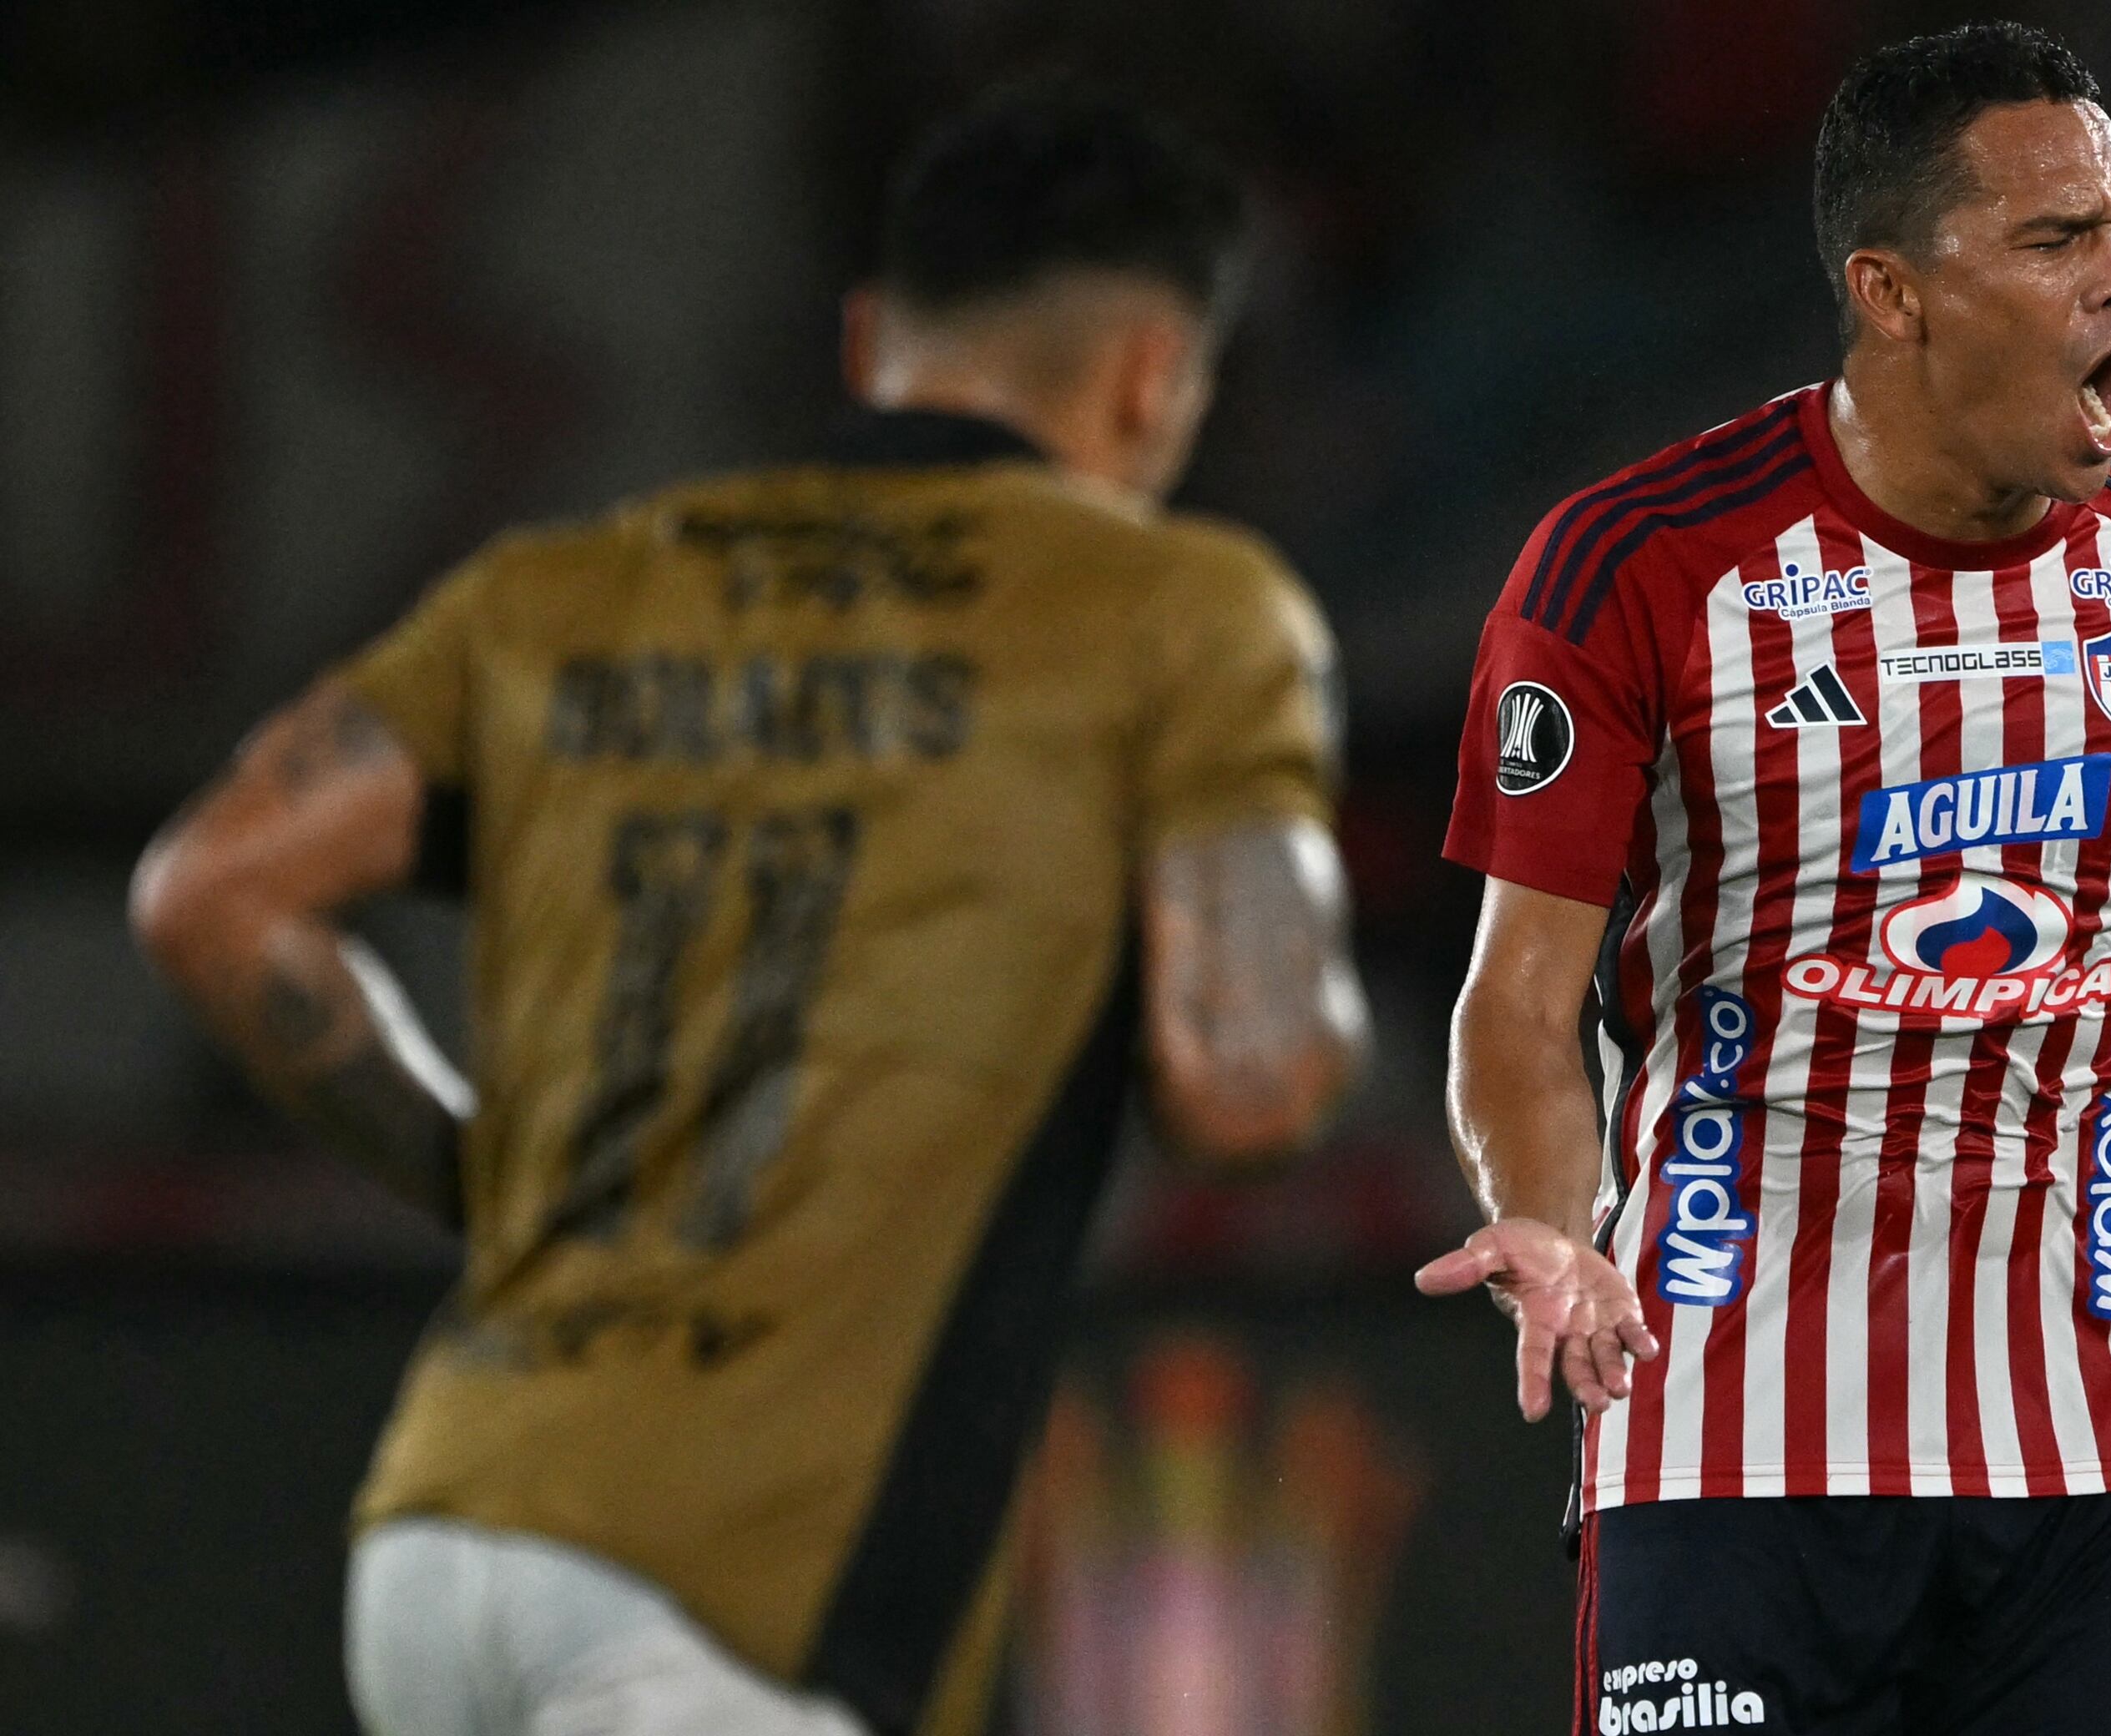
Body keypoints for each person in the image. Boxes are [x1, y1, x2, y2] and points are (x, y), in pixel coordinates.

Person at [130, 81, 1365, 1736]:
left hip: (442, 1532)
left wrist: (476, 1176)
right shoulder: (1176, 613)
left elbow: (211, 896)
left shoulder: (557, 594)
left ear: (868, 342)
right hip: (742, 1586)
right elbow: (1251, 1082)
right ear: (1156, 375)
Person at [1417, 22, 2111, 1733]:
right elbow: (1519, 1005)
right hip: (1725, 1444)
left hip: (2086, 1455)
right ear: (1892, 292)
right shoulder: (1638, 565)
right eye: (2058, 241)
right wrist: (1549, 1223)